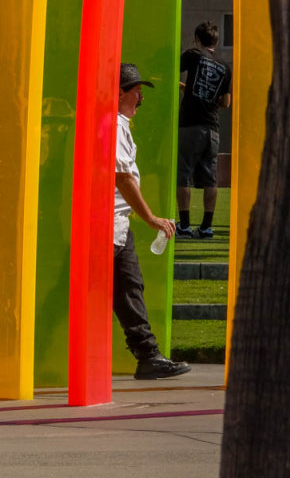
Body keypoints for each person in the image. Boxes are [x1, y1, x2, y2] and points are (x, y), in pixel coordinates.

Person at [114, 62, 191, 380]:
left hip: (115, 226)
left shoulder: (119, 124)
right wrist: (152, 218)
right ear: (119, 93)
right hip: (108, 227)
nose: (140, 96)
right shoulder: (114, 126)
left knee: (129, 288)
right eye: (135, 90)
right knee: (129, 289)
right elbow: (123, 178)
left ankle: (148, 355)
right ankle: (148, 355)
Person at [175, 21, 231, 240]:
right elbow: (226, 102)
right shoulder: (225, 67)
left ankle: (185, 225)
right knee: (210, 180)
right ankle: (207, 227)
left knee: (183, 176)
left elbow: (171, 68)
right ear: (215, 42)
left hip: (190, 125)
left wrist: (184, 89)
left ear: (198, 39)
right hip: (212, 128)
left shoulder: (193, 55)